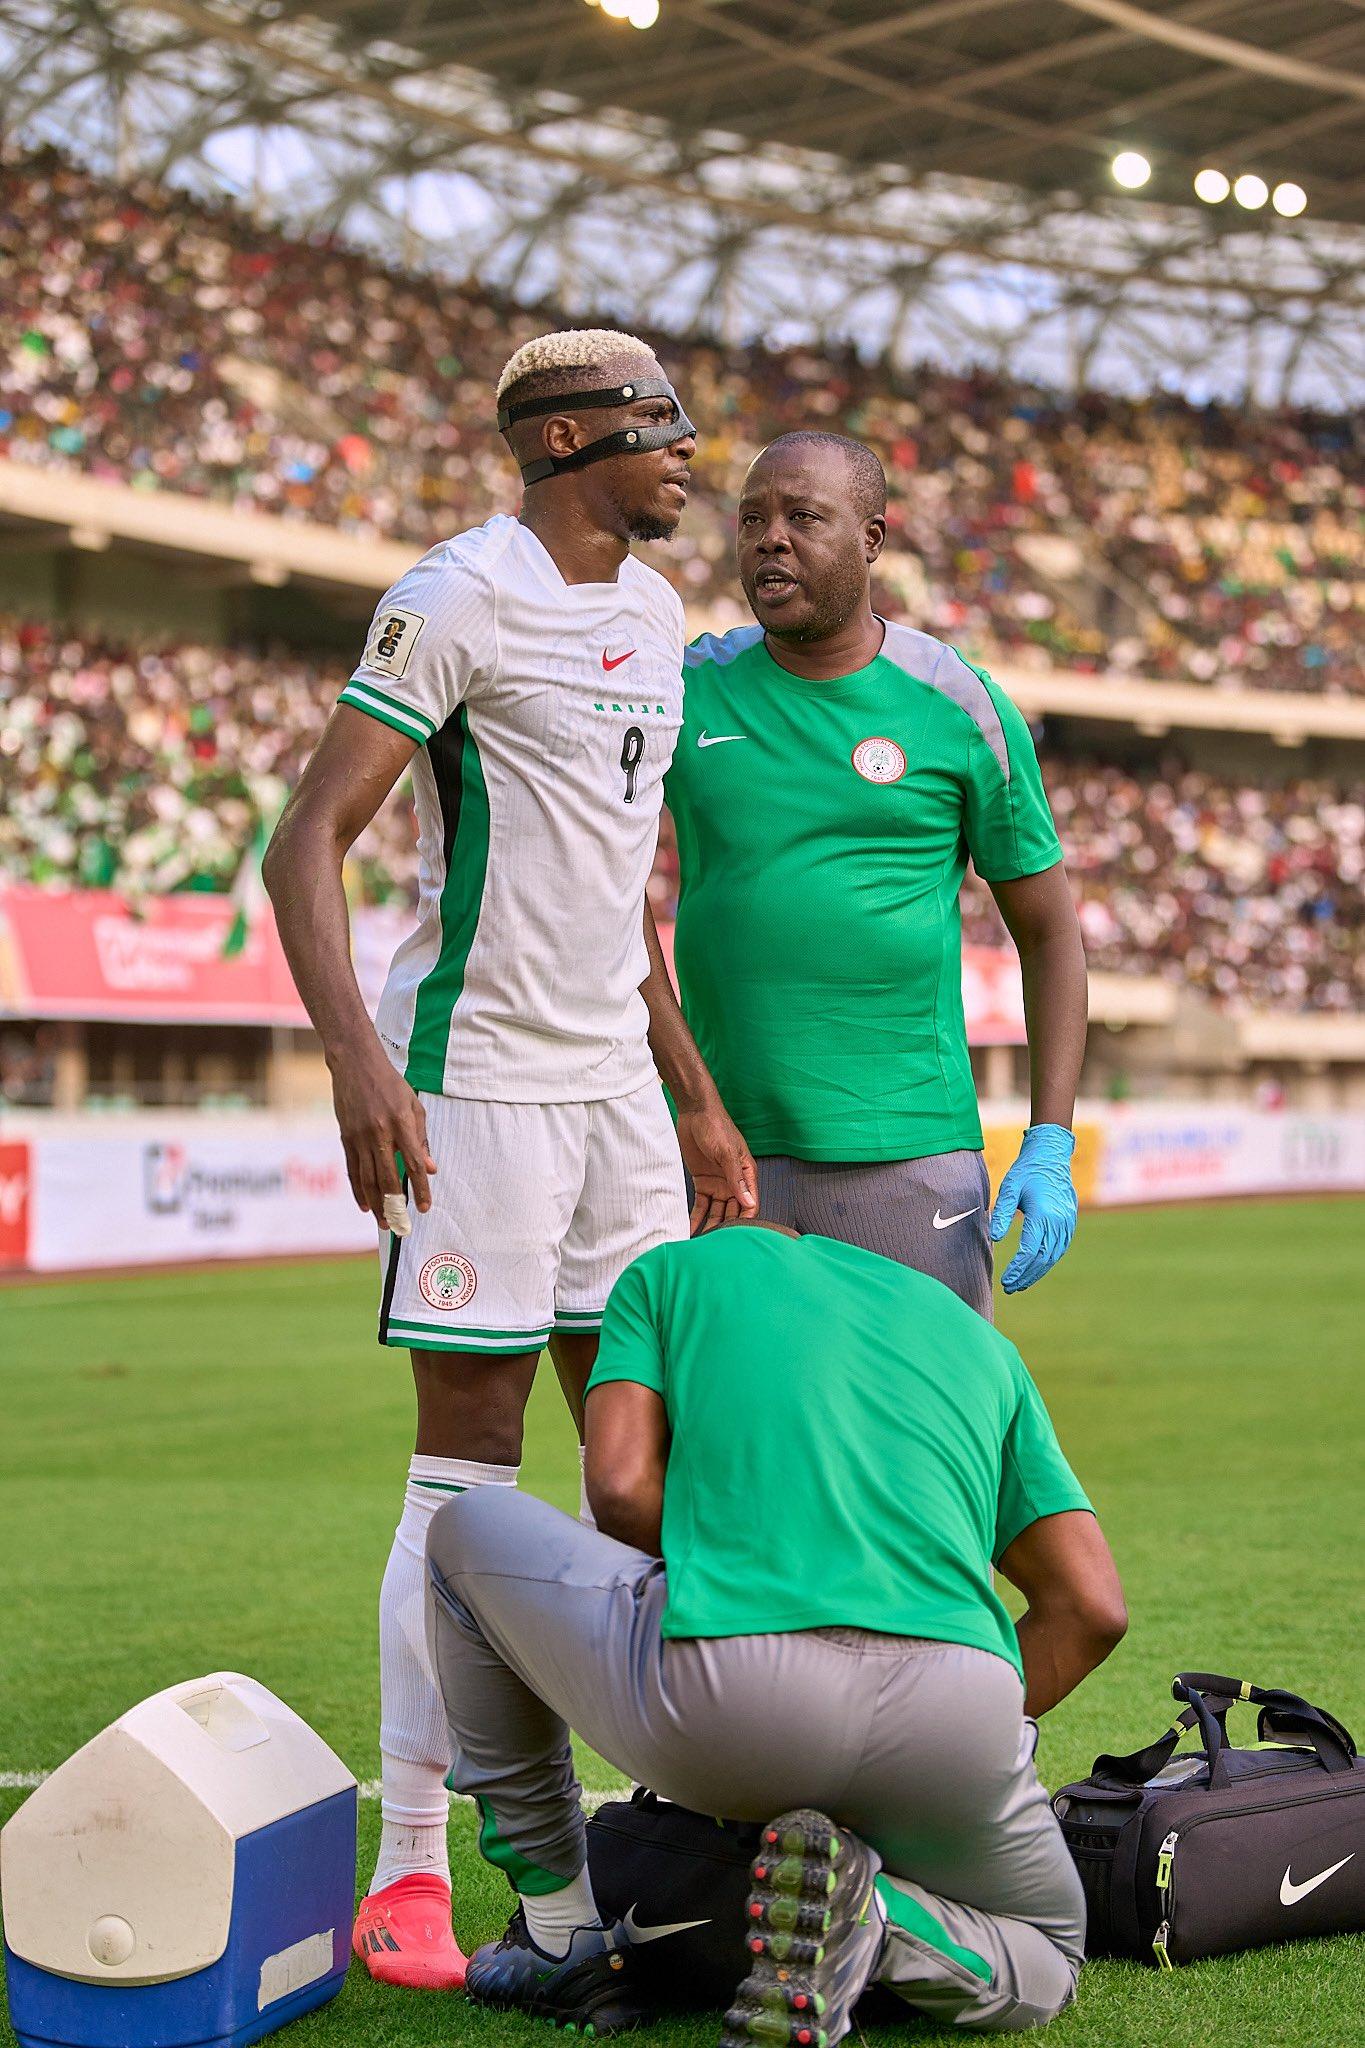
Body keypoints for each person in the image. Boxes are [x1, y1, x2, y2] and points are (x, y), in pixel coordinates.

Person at [263, 328, 756, 1990]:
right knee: (465, 1469)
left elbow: (627, 883)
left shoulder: (652, 614)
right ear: (562, 436)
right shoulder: (457, 593)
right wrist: (358, 1061)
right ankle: (409, 1860)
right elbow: (306, 837)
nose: (690, 452)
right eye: (658, 423)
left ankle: (651, 1820)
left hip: (617, 1088)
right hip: (474, 1082)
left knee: (634, 1472)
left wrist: (688, 1087)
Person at [425, 1221, 1127, 2037]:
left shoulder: (670, 1273)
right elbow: (1092, 1610)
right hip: (958, 1713)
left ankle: (562, 1943)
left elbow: (617, 1486)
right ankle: (874, 1920)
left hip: (730, 1696)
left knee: (464, 1533)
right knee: (1044, 1949)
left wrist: (740, 1566)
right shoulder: (970, 1333)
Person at [664, 432, 1089, 1317]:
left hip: (907, 1154)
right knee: (743, 1442)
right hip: (721, 1156)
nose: (769, 538)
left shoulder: (959, 704)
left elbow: (1048, 933)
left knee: (921, 1442)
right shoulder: (685, 690)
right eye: (751, 520)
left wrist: (1048, 1137)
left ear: (871, 539)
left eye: (802, 518)